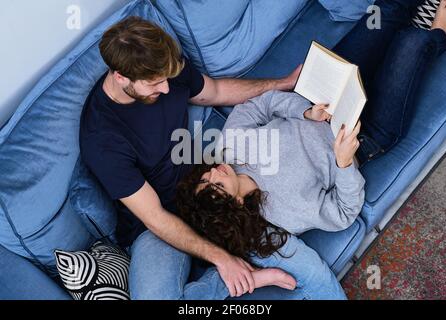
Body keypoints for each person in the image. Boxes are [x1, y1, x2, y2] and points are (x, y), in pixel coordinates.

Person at [175, 0, 446, 300]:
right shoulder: (284, 213)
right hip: (366, 132)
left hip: (325, 95)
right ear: (238, 202)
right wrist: (344, 163)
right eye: (218, 185)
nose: (215, 172)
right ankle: (440, 35)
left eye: (206, 178)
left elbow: (261, 105)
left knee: (384, 13)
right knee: (411, 43)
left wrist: (305, 113)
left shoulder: (230, 149)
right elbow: (344, 212)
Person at [79, 16, 304, 299]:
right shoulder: (102, 139)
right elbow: (155, 217)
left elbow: (216, 92)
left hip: (208, 191)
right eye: (154, 84)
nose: (165, 89)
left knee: (293, 246)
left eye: (166, 79)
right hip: (157, 227)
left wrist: (282, 83)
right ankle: (231, 281)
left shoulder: (164, 64)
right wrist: (223, 259)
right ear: (121, 76)